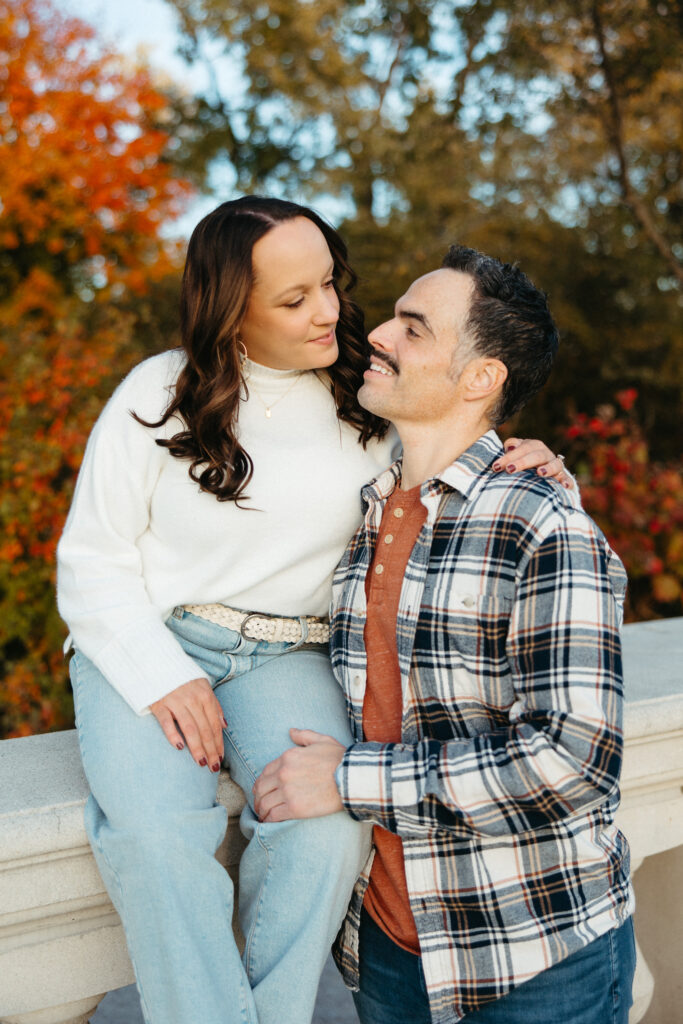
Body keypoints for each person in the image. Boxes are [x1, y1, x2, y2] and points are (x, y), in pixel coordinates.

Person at [57, 197, 569, 1024]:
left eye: (329, 283)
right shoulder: (156, 392)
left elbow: (456, 440)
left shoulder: (363, 400)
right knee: (157, 844)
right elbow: (91, 559)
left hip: (288, 654)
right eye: (294, 300)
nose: (329, 312)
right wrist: (160, 676)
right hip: (148, 644)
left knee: (327, 830)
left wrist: (534, 454)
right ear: (232, 312)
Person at [253, 245, 635, 1024]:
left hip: (531, 957)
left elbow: (573, 764)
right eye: (392, 317)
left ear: (479, 378)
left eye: (413, 328)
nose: (380, 336)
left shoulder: (542, 521)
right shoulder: (358, 505)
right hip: (388, 950)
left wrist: (349, 779)